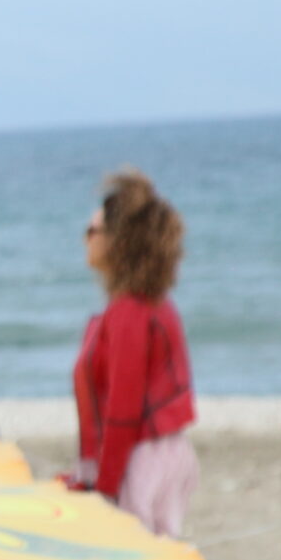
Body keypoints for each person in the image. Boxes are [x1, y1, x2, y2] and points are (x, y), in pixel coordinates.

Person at [66, 168, 198, 536]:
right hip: (158, 453)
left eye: (92, 230)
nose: (84, 239)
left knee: (136, 554)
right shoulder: (151, 307)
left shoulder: (130, 314)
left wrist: (105, 489)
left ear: (117, 242)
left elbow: (123, 411)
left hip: (144, 459)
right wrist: (87, 475)